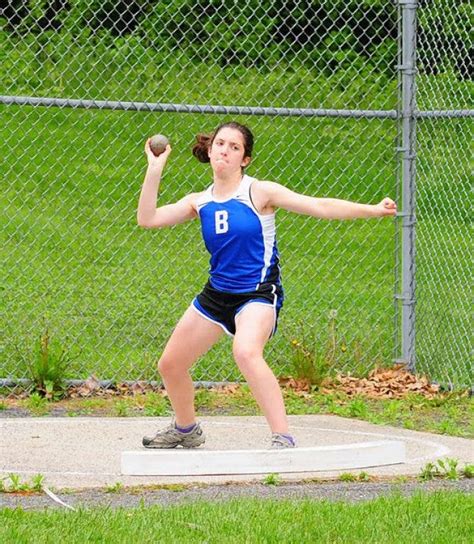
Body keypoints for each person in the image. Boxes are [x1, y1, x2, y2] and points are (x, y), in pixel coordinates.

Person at [137, 121, 397, 449]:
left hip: (258, 294)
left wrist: (373, 210)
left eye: (235, 147)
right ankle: (186, 429)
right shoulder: (199, 201)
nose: (225, 151)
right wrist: (155, 169)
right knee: (170, 364)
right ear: (210, 148)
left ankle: (283, 437)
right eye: (220, 144)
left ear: (245, 159)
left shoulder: (259, 192)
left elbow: (320, 207)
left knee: (245, 351)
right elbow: (147, 219)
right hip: (217, 294)